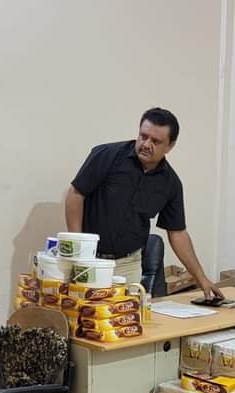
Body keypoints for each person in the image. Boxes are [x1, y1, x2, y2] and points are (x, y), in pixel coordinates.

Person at [65, 107, 223, 299]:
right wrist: (79, 248)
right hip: (91, 259)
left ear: (170, 146)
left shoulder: (170, 183)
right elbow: (75, 194)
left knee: (126, 315)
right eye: (143, 136)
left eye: (156, 141)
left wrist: (201, 278)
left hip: (128, 264)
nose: (146, 144)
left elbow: (178, 233)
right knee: (85, 313)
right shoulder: (107, 155)